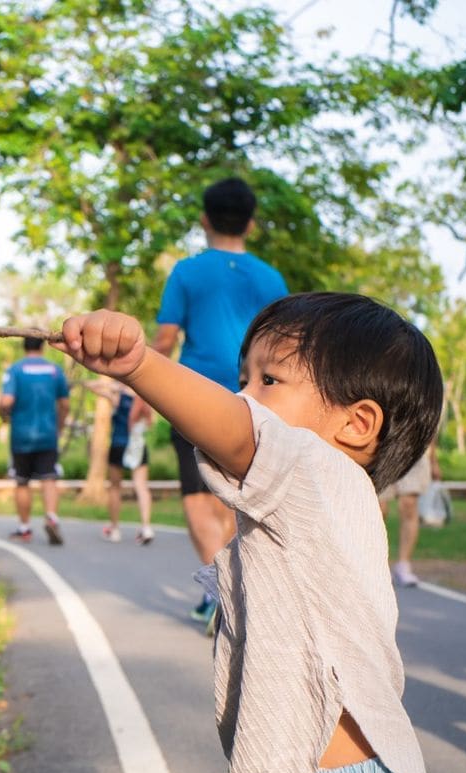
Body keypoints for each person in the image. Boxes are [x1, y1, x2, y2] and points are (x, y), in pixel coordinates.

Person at [56, 295, 448, 773]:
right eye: (244, 378)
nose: (242, 398)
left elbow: (239, 433)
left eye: (269, 381)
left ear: (355, 426)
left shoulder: (326, 478)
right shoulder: (280, 519)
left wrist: (140, 364)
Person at [150, 177, 288, 623]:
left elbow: (166, 338)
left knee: (195, 494)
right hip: (256, 403)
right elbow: (285, 347)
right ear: (250, 224)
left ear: (204, 219)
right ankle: (233, 587)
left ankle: (219, 590)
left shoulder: (187, 272)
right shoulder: (272, 278)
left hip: (192, 397)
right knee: (236, 498)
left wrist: (142, 389)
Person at [0, 336, 70, 544]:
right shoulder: (55, 370)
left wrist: (4, 414)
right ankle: (51, 518)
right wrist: (59, 427)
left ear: (24, 346)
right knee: (49, 477)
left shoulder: (15, 370)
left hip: (21, 435)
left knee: (22, 482)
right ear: (42, 345)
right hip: (48, 434)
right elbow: (65, 404)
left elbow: (7, 400)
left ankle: (24, 528)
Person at [86, 379, 155, 544]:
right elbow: (150, 422)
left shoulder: (118, 397)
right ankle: (146, 527)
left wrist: (113, 386)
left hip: (119, 444)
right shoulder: (145, 397)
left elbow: (92, 386)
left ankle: (115, 529)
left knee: (115, 488)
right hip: (138, 446)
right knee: (141, 486)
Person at [379, 441, 441, 586]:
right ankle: (380, 564)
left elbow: (429, 422)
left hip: (415, 449)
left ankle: (403, 565)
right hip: (383, 446)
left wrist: (433, 461)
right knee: (379, 509)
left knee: (409, 504)